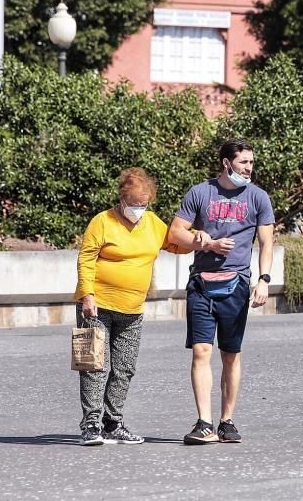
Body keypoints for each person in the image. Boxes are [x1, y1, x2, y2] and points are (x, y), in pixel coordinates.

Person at [74, 167, 194, 446]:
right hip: (97, 305)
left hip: (132, 309)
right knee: (93, 364)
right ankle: (90, 423)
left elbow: (175, 244)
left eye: (144, 205)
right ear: (122, 198)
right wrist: (87, 295)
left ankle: (113, 422)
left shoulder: (152, 223)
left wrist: (198, 239)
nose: (139, 210)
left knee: (124, 367)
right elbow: (86, 258)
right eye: (134, 204)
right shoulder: (102, 221)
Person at [168, 138, 275, 445]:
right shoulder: (200, 192)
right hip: (201, 283)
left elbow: (267, 242)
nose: (249, 168)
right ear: (227, 163)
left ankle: (227, 421)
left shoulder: (258, 197)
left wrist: (264, 280)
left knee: (230, 354)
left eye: (252, 162)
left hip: (237, 285)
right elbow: (175, 232)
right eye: (244, 162)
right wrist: (203, 241)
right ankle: (204, 423)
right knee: (202, 351)